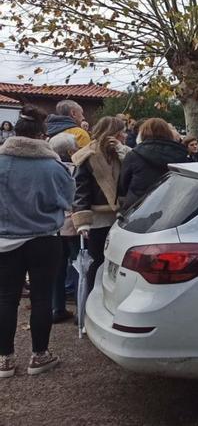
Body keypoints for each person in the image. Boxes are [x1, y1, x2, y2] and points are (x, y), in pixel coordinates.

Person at [0, 106, 75, 378]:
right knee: (42, 297)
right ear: (43, 135)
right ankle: (39, 355)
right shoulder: (53, 165)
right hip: (44, 238)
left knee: (6, 298)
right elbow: (67, 200)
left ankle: (4, 360)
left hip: (5, 239)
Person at [71, 116, 129, 294]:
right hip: (98, 218)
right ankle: (91, 301)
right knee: (96, 263)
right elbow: (81, 189)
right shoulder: (88, 155)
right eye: (122, 132)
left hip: (121, 216)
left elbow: (133, 174)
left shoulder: (120, 152)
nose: (125, 135)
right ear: (114, 133)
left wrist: (122, 151)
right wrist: (82, 221)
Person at [118, 118, 189, 210]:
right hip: (171, 206)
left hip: (138, 206)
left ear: (143, 133)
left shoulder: (134, 154)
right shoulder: (180, 153)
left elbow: (123, 184)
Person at [48, 133, 79, 324]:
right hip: (75, 224)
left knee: (57, 268)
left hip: (54, 225)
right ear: (70, 150)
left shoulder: (48, 169)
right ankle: (80, 308)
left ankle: (56, 307)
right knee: (78, 267)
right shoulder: (77, 168)